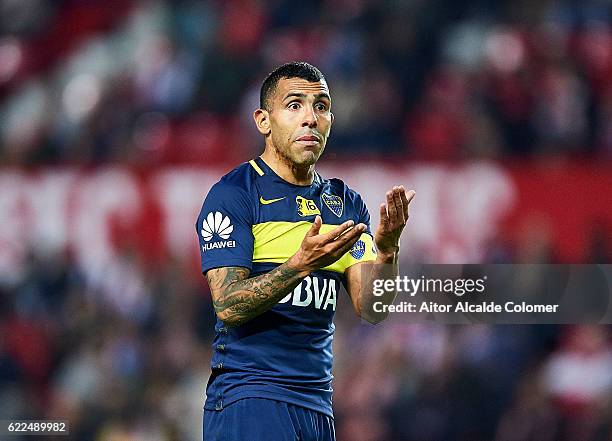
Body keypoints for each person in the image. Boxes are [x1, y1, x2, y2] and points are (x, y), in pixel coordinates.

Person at [196, 61, 415, 441]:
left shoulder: (345, 204)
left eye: (321, 106)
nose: (310, 118)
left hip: (317, 406)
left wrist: (388, 249)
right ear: (264, 121)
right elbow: (228, 304)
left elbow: (373, 309)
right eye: (294, 105)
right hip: (250, 397)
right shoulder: (235, 195)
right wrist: (300, 264)